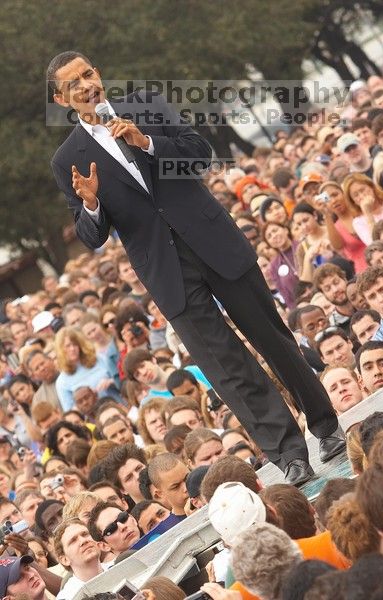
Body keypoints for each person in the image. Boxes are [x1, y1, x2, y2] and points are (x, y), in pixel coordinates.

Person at [49, 50, 344, 487]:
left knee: (272, 336)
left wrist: (146, 143)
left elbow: (199, 155)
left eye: (89, 73)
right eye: (74, 84)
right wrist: (91, 204)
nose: (87, 85)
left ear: (100, 73)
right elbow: (92, 236)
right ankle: (289, 454)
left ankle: (325, 424)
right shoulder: (66, 158)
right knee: (227, 367)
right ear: (61, 99)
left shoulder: (146, 104)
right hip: (165, 270)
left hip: (213, 240)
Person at [53, 518, 103, 599]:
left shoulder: (119, 566)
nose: (83, 540)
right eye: (73, 540)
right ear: (65, 560)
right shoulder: (67, 597)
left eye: (85, 534)